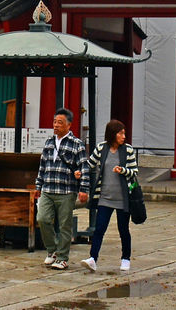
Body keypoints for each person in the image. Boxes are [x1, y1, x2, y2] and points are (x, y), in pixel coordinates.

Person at [79, 119, 139, 273]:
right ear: (113, 134)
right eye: (121, 133)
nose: (124, 136)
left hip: (123, 199)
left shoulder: (128, 150)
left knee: (123, 229)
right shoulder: (101, 148)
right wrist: (80, 171)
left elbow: (134, 173)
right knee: (99, 229)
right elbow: (89, 165)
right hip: (104, 197)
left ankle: (125, 258)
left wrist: (123, 170)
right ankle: (93, 258)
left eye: (124, 133)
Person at [35, 107, 87, 270]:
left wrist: (84, 188)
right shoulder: (49, 143)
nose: (56, 125)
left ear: (69, 125)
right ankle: (52, 251)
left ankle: (63, 257)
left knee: (65, 225)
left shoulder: (76, 144)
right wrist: (38, 185)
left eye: (60, 122)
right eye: (54, 122)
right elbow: (42, 165)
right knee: (42, 219)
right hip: (48, 188)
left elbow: (83, 167)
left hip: (66, 191)